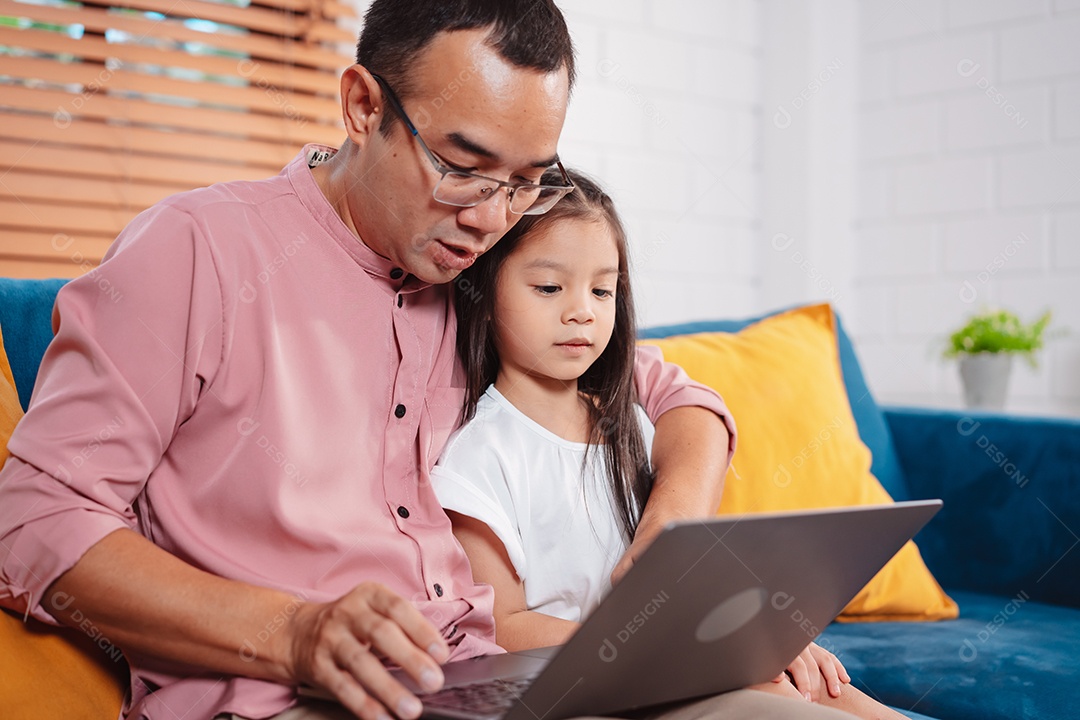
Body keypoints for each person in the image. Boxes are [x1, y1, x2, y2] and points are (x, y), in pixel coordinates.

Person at [0, 3, 858, 720]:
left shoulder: (482, 271)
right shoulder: (195, 251)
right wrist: (297, 632)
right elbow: (33, 521)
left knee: (829, 709)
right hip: (287, 699)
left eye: (527, 177)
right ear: (363, 106)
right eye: (462, 165)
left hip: (497, 680)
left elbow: (674, 392)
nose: (492, 217)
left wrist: (678, 533)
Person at [432, 169, 908, 720]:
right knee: (775, 701)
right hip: (589, 679)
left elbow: (686, 580)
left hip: (671, 661)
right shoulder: (479, 452)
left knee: (823, 689)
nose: (581, 310)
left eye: (601, 289)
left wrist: (761, 637)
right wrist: (648, 654)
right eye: (548, 288)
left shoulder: (633, 425)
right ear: (484, 298)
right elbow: (502, 624)